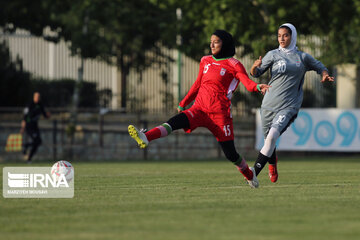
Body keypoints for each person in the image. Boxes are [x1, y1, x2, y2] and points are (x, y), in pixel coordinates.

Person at [128, 30, 270, 188]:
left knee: (231, 154)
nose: (212, 44)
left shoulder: (233, 64)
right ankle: (146, 136)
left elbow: (247, 83)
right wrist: (184, 102)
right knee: (175, 122)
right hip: (199, 109)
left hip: (219, 115)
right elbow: (198, 84)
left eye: (216, 41)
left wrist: (258, 86)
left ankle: (250, 174)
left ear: (226, 44)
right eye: (211, 41)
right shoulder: (205, 60)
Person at [250, 23, 334, 182]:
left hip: (289, 106)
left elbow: (319, 66)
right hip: (268, 105)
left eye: (285, 35)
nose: (281, 38)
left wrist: (324, 74)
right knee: (269, 139)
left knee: (273, 135)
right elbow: (256, 73)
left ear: (293, 36)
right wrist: (254, 68)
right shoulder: (272, 54)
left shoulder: (302, 57)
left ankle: (253, 173)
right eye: (279, 35)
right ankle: (272, 164)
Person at [20, 92, 51, 163]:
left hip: (35, 126)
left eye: (39, 97)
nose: (38, 98)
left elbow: (45, 115)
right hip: (29, 126)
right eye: (36, 97)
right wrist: (22, 127)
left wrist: (48, 115)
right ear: (34, 97)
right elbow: (24, 117)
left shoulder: (40, 105)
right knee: (36, 141)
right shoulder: (29, 105)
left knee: (38, 142)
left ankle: (27, 152)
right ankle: (27, 151)